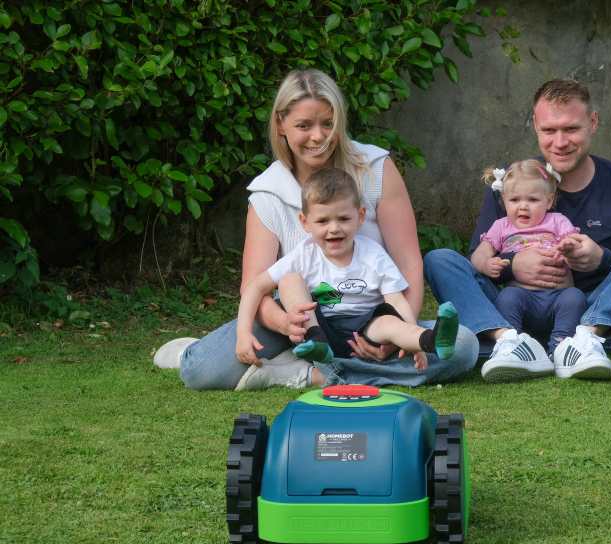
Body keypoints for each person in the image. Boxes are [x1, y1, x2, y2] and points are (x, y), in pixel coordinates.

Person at [154, 69, 477, 389]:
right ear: (281, 124)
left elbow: (408, 262)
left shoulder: (376, 167)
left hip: (371, 316)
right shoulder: (268, 192)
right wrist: (286, 324)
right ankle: (309, 364)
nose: (318, 136)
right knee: (202, 370)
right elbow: (256, 286)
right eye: (303, 125)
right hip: (303, 316)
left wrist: (397, 339)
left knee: (463, 346)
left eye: (327, 123)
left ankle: (308, 373)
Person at [424, 78, 611, 381]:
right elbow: (475, 262)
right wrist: (513, 266)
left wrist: (601, 258)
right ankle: (506, 341)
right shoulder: (512, 182)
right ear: (534, 125)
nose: (560, 142)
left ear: (592, 122)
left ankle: (588, 340)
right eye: (549, 130)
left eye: (571, 129)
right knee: (439, 260)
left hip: (586, 308)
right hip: (514, 309)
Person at [237, 166, 460, 380]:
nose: (334, 228)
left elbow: (396, 300)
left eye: (343, 219)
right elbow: (255, 287)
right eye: (323, 220)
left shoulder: (373, 254)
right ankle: (317, 347)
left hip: (366, 331)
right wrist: (243, 333)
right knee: (289, 281)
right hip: (319, 327)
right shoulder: (304, 255)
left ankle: (431, 340)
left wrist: (413, 341)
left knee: (390, 322)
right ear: (305, 222)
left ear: (360, 216)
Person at [469, 159, 587, 380]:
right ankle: (514, 345)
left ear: (549, 200)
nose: (523, 206)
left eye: (533, 199)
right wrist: (486, 264)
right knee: (507, 297)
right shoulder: (501, 226)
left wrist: (568, 248)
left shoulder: (557, 221)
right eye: (515, 199)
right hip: (522, 296)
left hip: (558, 295)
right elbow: (478, 254)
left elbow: (575, 241)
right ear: (503, 201)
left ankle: (560, 347)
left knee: (575, 297)